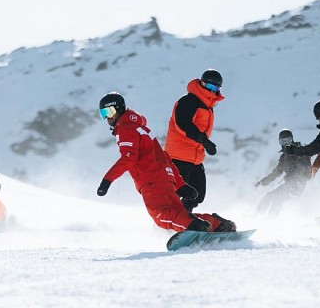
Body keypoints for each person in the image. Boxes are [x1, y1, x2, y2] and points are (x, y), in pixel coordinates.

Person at [95, 92, 236, 233]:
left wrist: (107, 180)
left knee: (161, 216)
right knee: (178, 212)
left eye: (109, 112)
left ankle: (196, 226)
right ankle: (218, 224)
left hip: (150, 180)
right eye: (103, 113)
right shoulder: (142, 129)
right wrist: (180, 185)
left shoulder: (125, 128)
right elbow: (164, 158)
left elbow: (128, 158)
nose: (107, 118)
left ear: (119, 109)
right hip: (166, 179)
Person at [164, 69, 224, 211]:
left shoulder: (208, 106)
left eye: (216, 88)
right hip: (178, 156)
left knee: (197, 195)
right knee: (176, 193)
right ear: (202, 83)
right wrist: (203, 140)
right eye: (210, 86)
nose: (213, 91)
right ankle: (170, 218)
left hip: (195, 158)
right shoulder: (188, 101)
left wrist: (204, 144)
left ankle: (185, 217)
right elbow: (182, 123)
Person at [255, 129, 311, 217]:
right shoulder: (284, 156)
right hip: (289, 183)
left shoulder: (300, 152)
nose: (285, 143)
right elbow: (277, 171)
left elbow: (305, 170)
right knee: (272, 197)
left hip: (297, 184)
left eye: (288, 140)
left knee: (275, 198)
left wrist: (297, 182)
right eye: (283, 141)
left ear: (292, 139)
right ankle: (262, 217)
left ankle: (267, 218)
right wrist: (264, 181)